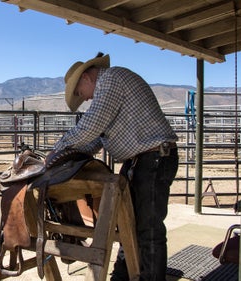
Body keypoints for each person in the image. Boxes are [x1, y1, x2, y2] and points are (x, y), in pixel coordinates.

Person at [47, 52, 179, 281]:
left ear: (86, 78)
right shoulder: (111, 88)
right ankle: (122, 276)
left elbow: (92, 124)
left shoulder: (111, 80)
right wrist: (70, 153)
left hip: (153, 158)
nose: (85, 99)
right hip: (143, 160)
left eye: (80, 93)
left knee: (148, 229)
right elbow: (95, 138)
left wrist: (58, 150)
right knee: (129, 224)